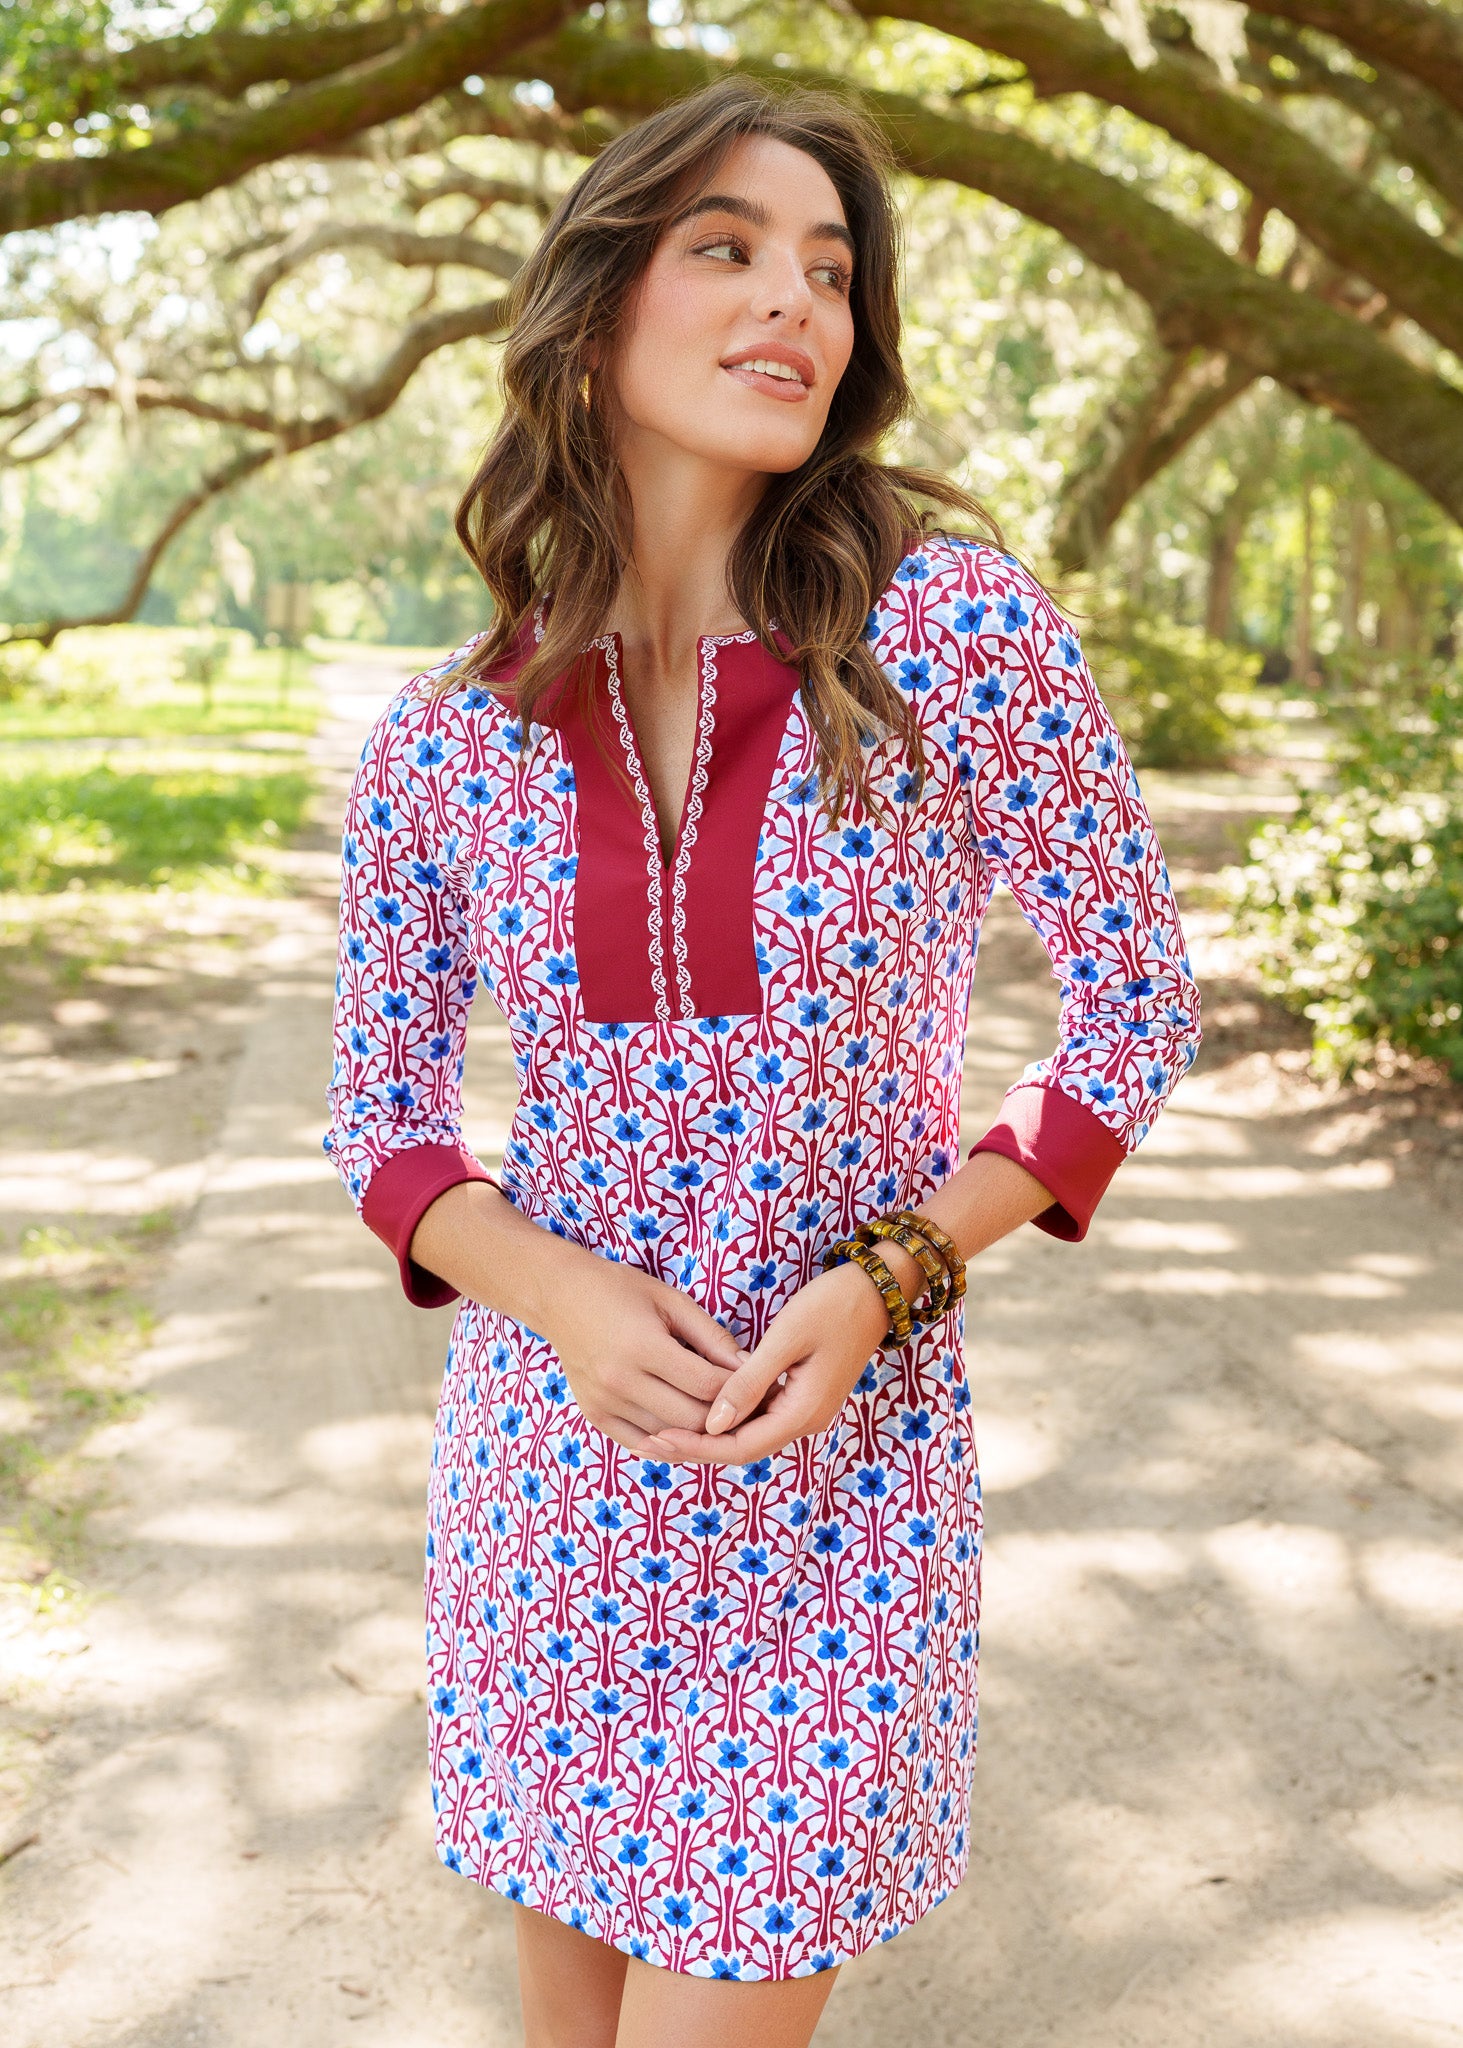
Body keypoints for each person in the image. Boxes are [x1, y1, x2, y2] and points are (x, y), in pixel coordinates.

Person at [324, 75, 1201, 2048]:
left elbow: (1134, 1007)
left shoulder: (953, 633)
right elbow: (381, 1118)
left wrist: (899, 1271)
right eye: (726, 248)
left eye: (829, 269)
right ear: (597, 307)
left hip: (845, 1478)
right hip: (555, 1484)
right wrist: (549, 1291)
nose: (794, 300)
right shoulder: (443, 740)